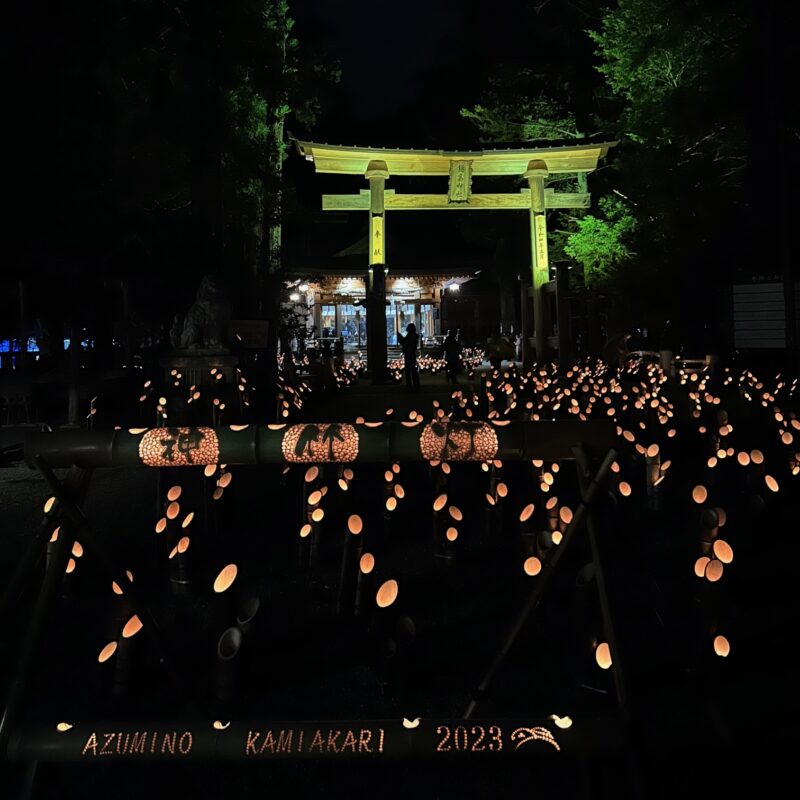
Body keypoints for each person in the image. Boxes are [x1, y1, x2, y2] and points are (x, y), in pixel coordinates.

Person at [398, 322, 420, 391]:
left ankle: (410, 385)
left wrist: (400, 337)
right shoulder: (414, 336)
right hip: (412, 354)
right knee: (413, 370)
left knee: (409, 370)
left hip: (409, 354)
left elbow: (404, 342)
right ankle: (415, 384)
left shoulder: (410, 336)